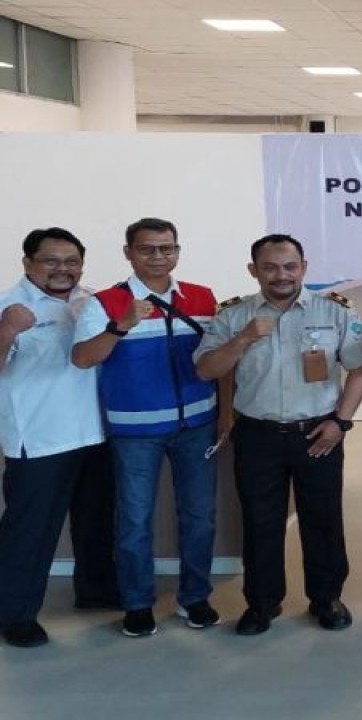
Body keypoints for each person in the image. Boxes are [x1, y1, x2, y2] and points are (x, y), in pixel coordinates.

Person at [194, 234, 362, 635]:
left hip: (318, 432)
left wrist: (341, 423)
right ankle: (262, 603)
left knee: (323, 519)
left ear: (304, 268)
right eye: (270, 267)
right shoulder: (232, 316)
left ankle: (326, 599)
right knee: (260, 521)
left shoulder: (334, 311)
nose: (282, 275)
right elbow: (207, 370)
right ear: (254, 270)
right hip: (257, 436)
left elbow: (361, 367)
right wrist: (242, 339)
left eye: (290, 266)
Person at [71, 217, 222, 638]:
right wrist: (120, 325)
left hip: (197, 425)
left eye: (166, 248)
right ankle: (137, 604)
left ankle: (195, 597)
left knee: (200, 518)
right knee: (135, 521)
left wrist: (225, 415)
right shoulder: (104, 303)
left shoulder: (202, 297)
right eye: (147, 249)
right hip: (134, 432)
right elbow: (82, 358)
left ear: (177, 251)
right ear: (128, 253)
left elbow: (217, 357)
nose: (158, 256)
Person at [0, 228, 116, 647]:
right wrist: (7, 331)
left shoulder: (91, 300)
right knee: (29, 531)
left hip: (95, 431)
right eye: (51, 260)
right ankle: (14, 615)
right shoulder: (9, 305)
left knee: (97, 520)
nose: (62, 269)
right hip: (40, 439)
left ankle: (96, 590)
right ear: (28, 263)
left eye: (71, 261)